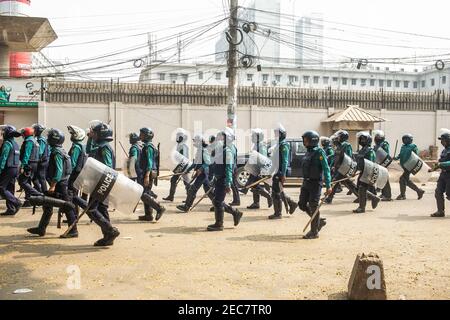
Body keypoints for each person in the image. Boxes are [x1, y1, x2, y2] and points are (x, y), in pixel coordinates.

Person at [27, 129, 78, 238]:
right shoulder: (60, 150)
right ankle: (41, 228)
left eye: (49, 137)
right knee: (48, 205)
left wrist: (53, 185)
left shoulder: (56, 153)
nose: (47, 139)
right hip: (61, 183)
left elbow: (59, 170)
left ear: (53, 139)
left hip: (59, 184)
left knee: (67, 206)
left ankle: (73, 230)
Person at [85, 123, 120, 246]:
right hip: (100, 182)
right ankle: (108, 237)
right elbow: (88, 150)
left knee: (91, 209)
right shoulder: (99, 146)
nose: (92, 134)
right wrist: (89, 137)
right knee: (102, 209)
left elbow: (108, 166)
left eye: (94, 132)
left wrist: (102, 183)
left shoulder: (104, 147)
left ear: (101, 134)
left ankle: (110, 231)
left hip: (102, 182)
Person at [207, 128, 243, 232]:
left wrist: (228, 183)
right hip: (219, 178)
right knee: (217, 201)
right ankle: (235, 213)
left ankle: (219, 224)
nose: (222, 138)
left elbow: (228, 168)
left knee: (218, 202)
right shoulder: (223, 149)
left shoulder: (228, 151)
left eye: (224, 136)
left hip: (223, 179)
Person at [299, 131, 332, 239]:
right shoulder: (308, 152)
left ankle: (314, 232)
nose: (304, 142)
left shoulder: (319, 152)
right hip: (306, 183)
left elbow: (326, 169)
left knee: (314, 206)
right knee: (302, 204)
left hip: (315, 183)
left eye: (306, 140)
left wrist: (328, 185)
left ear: (312, 140)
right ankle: (318, 222)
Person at [176, 134, 212, 212]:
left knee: (192, 189)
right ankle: (217, 204)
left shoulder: (204, 150)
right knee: (208, 190)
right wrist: (187, 170)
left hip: (203, 173)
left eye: (195, 141)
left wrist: (201, 169)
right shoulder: (199, 150)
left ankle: (186, 206)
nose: (194, 143)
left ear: (199, 142)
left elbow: (208, 162)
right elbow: (195, 163)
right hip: (201, 173)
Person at [268, 124, 297, 220]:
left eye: (277, 133)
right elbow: (275, 160)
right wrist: (270, 171)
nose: (275, 135)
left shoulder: (284, 144)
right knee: (278, 191)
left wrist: (283, 174)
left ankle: (278, 213)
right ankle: (292, 203)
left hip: (281, 172)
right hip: (277, 171)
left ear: (282, 134)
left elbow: (284, 160)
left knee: (276, 193)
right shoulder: (279, 144)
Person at [138, 127, 165, 222]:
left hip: (148, 173)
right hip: (147, 172)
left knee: (143, 194)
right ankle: (148, 215)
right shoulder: (147, 145)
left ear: (146, 135)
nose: (140, 135)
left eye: (141, 134)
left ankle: (159, 207)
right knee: (146, 193)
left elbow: (149, 162)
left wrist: (146, 176)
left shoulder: (149, 146)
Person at [325, 130, 359, 204]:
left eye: (339, 137)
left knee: (334, 182)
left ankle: (329, 198)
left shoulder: (346, 145)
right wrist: (333, 165)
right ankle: (362, 196)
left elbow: (348, 158)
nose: (337, 138)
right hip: (339, 168)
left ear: (343, 137)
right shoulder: (339, 146)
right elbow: (336, 156)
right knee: (348, 184)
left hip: (343, 168)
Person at [353, 132, 381, 214]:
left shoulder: (370, 151)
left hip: (367, 172)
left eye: (363, 139)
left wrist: (368, 174)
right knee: (360, 188)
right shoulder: (361, 150)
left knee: (362, 188)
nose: (362, 140)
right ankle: (374, 198)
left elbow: (371, 163)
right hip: (362, 172)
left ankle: (362, 207)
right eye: (361, 139)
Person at [246, 129, 272, 210]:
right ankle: (256, 203)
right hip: (254, 169)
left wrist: (261, 172)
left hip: (259, 170)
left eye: (253, 136)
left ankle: (268, 196)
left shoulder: (261, 146)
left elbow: (263, 159)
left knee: (254, 185)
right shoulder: (256, 145)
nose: (252, 137)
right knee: (254, 185)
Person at [394, 134, 425, 201]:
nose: (404, 140)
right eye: (404, 139)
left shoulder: (413, 146)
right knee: (406, 181)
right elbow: (400, 154)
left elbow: (415, 156)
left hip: (409, 166)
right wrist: (396, 158)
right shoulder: (403, 146)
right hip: (403, 166)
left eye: (406, 139)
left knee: (402, 179)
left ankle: (403, 195)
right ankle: (419, 191)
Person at [0, 125, 22, 216]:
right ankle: (11, 209)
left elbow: (3, 158)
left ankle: (16, 202)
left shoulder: (7, 143)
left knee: (1, 188)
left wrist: (0, 169)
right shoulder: (15, 144)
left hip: (8, 168)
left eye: (3, 132)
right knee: (10, 188)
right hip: (15, 168)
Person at [164, 128, 190, 201]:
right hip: (178, 167)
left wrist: (184, 169)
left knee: (187, 182)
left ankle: (189, 198)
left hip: (184, 167)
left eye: (178, 136)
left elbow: (185, 158)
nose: (177, 137)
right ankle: (171, 196)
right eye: (177, 135)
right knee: (173, 180)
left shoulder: (184, 146)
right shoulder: (178, 145)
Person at [18, 127, 41, 207]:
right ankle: (28, 201)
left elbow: (26, 154)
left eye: (23, 133)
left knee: (22, 182)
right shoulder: (35, 141)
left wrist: (23, 166)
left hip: (29, 164)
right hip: (35, 164)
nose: (22, 135)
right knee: (27, 182)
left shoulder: (29, 141)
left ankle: (38, 195)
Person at [429, 131, 450, 218]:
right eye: (441, 141)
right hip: (443, 175)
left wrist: (441, 164)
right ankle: (440, 211)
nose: (442, 142)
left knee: (449, 194)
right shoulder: (444, 151)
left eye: (444, 140)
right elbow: (440, 162)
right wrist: (434, 168)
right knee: (438, 192)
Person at [373, 130, 393, 202]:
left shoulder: (384, 144)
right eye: (376, 137)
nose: (376, 139)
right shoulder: (377, 145)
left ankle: (388, 196)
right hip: (379, 163)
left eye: (378, 137)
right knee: (381, 178)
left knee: (385, 179)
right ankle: (383, 193)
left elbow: (385, 154)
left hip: (384, 163)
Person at [32, 124, 50, 194]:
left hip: (43, 161)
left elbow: (40, 152)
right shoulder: (39, 139)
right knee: (35, 178)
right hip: (42, 160)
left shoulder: (41, 140)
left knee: (41, 177)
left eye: (35, 130)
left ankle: (44, 193)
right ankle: (38, 192)